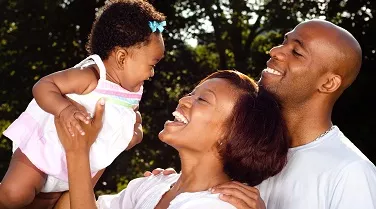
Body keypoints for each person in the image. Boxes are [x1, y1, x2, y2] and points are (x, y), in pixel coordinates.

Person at [0, 0, 165, 208]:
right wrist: (65, 109)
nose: (152, 73)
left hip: (79, 165)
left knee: (51, 205)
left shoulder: (132, 90)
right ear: (122, 57)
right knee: (14, 195)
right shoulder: (91, 76)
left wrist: (133, 135)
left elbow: (131, 119)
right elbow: (44, 86)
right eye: (152, 65)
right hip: (47, 149)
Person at [53, 70, 289, 209]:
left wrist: (78, 152)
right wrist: (104, 148)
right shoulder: (150, 186)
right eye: (191, 93)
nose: (184, 100)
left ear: (231, 135)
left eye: (203, 100)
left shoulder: (218, 205)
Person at [204, 19, 376, 208]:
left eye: (296, 52)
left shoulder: (351, 172)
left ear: (328, 84)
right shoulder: (242, 145)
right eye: (284, 42)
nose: (274, 51)